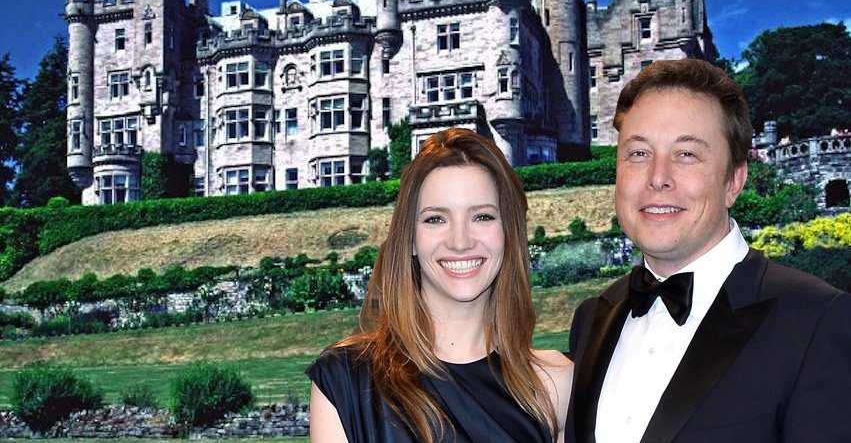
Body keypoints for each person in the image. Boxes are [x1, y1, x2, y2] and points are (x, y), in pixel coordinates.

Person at [566, 59, 851, 443]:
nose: (658, 178)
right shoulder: (592, 319)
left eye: (686, 154)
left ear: (734, 180)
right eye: (638, 154)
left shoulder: (818, 321)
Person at [308, 127, 572, 442]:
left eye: (482, 217)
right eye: (436, 219)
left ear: (509, 233)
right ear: (410, 238)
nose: (460, 242)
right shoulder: (346, 379)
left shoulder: (557, 385)